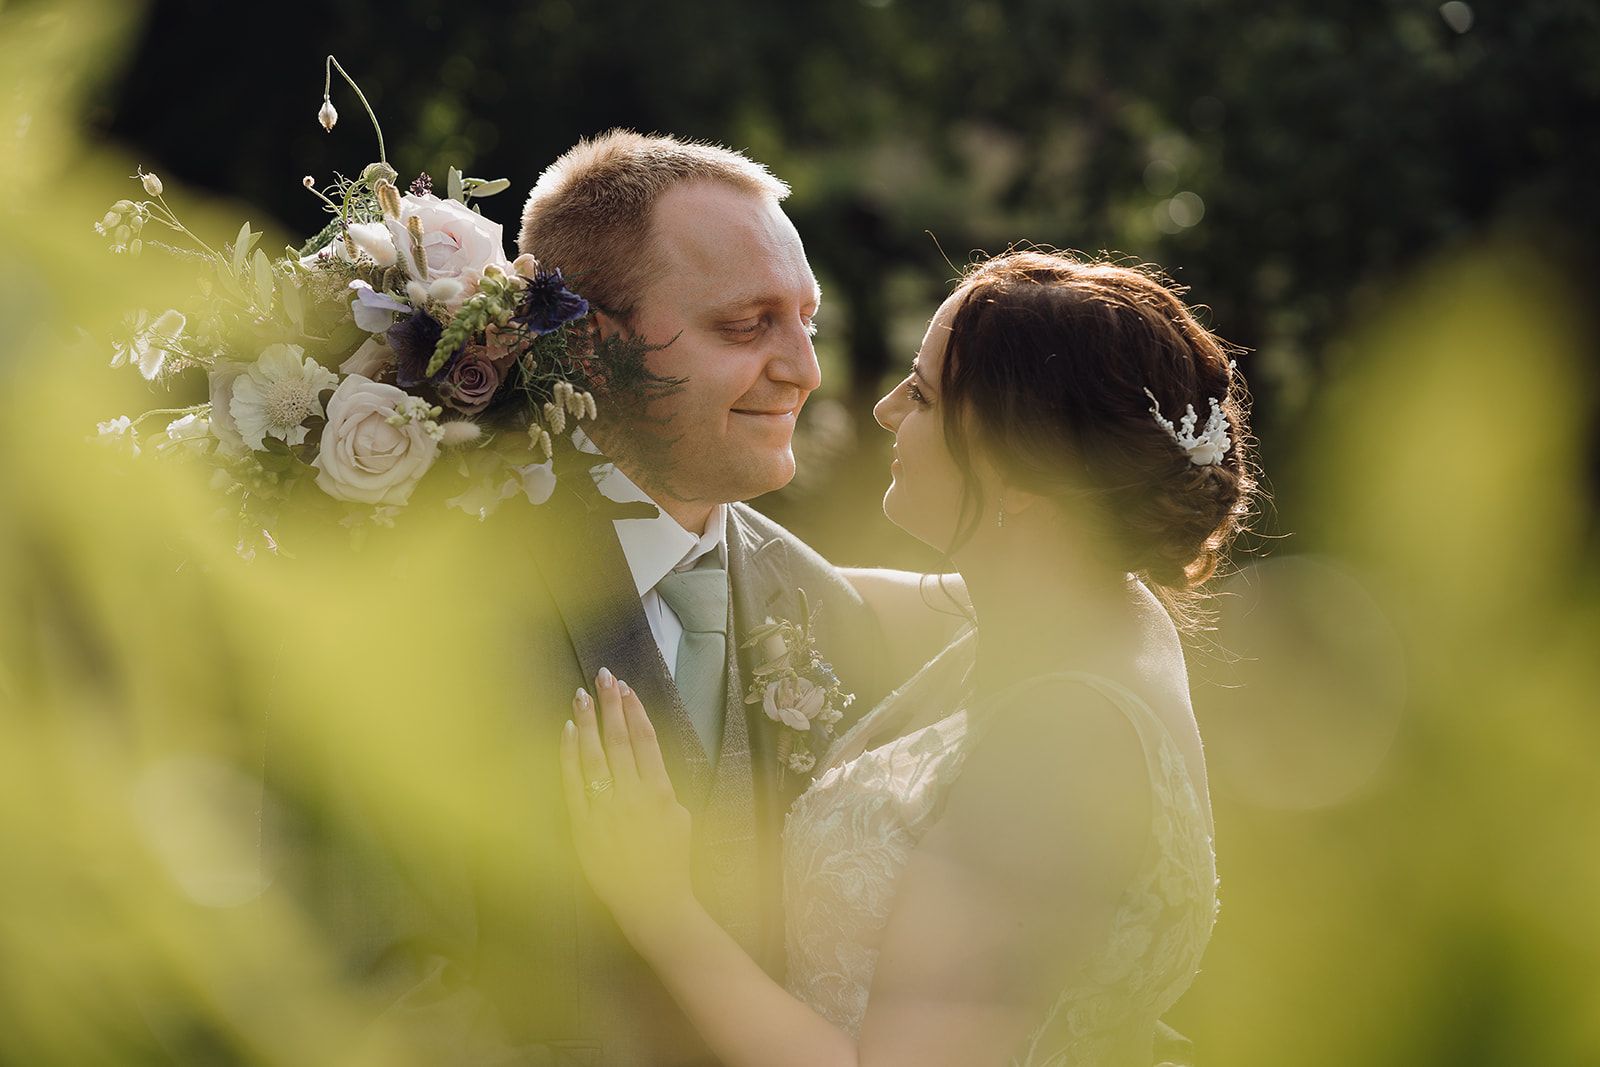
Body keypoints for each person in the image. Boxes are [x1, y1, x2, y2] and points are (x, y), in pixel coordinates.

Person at [559, 249, 1254, 1066]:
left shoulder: (1059, 744)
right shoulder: (1087, 607)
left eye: (922, 394)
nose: (887, 410)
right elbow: (752, 574)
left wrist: (659, 904)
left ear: (1022, 468)